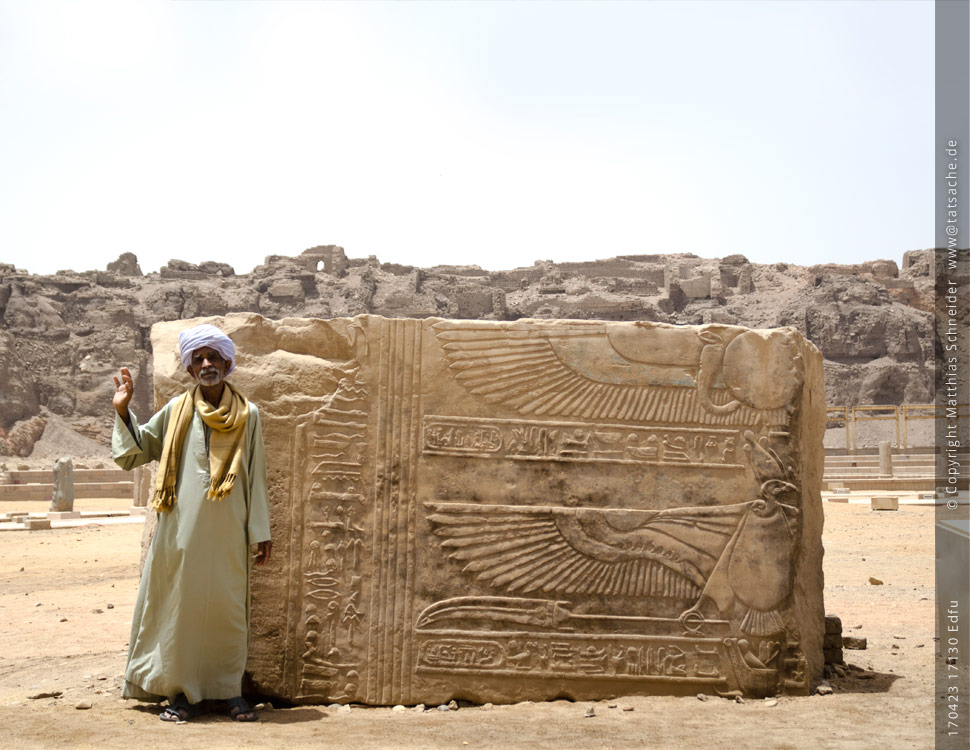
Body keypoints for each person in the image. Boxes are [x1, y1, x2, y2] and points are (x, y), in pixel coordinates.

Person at [112, 323, 272, 722]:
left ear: (227, 363)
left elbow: (255, 474)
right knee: (178, 610)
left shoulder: (248, 415)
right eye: (198, 358)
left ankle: (228, 692)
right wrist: (122, 410)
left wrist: (260, 531)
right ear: (189, 369)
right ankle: (180, 694)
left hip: (228, 533)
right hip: (179, 532)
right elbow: (138, 452)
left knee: (227, 610)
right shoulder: (175, 412)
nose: (205, 364)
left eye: (213, 357)